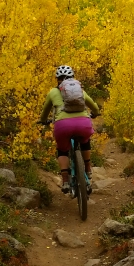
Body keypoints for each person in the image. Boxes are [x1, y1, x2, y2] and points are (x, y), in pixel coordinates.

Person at [39, 65, 100, 193]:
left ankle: (65, 180)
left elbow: (45, 111)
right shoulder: (80, 91)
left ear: (57, 79)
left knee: (62, 150)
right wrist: (95, 113)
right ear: (73, 78)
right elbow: (93, 106)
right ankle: (88, 168)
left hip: (63, 126)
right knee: (85, 141)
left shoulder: (53, 92)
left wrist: (44, 120)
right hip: (83, 123)